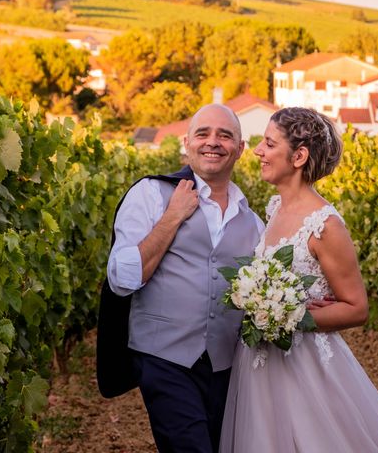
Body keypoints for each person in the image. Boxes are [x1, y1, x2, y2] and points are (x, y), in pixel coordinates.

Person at [219, 107, 378, 452]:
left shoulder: (325, 225)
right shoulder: (274, 209)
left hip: (304, 366)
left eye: (269, 144)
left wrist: (288, 315)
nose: (258, 151)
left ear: (298, 156)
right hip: (259, 362)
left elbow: (357, 308)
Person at [105, 104, 264, 453]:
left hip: (227, 367)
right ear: (186, 143)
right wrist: (171, 219)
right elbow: (122, 278)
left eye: (225, 135)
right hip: (164, 359)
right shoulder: (150, 193)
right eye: (203, 133)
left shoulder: (253, 222)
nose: (213, 142)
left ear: (239, 149)